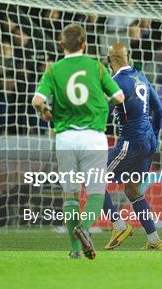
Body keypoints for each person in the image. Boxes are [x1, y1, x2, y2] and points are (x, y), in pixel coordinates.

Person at [31, 24, 125, 259]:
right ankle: (85, 228)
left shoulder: (53, 71)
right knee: (94, 192)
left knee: (70, 195)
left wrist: (44, 110)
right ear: (85, 44)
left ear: (62, 45)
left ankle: (75, 250)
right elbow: (119, 96)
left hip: (65, 139)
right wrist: (102, 103)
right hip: (93, 138)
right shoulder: (97, 68)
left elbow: (36, 100)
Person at [101, 43, 162, 250]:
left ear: (110, 60)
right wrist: (154, 136)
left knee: (92, 179)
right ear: (127, 57)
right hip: (148, 141)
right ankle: (155, 240)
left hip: (130, 142)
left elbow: (105, 114)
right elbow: (159, 109)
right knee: (132, 189)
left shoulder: (116, 82)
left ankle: (119, 225)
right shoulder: (141, 76)